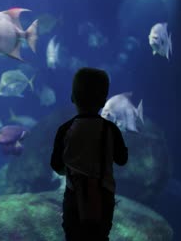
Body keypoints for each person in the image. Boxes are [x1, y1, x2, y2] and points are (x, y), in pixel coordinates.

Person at [50, 67, 128, 241]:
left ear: (72, 98)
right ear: (103, 101)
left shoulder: (65, 129)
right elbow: (122, 159)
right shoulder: (111, 129)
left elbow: (56, 165)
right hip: (104, 196)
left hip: (73, 196)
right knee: (100, 235)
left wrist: (68, 169)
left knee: (73, 234)